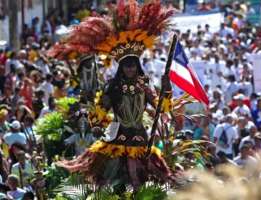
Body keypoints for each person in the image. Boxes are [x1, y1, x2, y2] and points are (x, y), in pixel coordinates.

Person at [56, 1, 180, 194]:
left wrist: (168, 90)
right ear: (121, 67)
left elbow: (161, 108)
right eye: (126, 65)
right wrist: (97, 125)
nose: (130, 69)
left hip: (140, 139)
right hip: (116, 138)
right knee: (110, 182)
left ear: (137, 66)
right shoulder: (112, 87)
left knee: (147, 181)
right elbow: (101, 110)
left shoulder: (143, 85)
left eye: (132, 65)